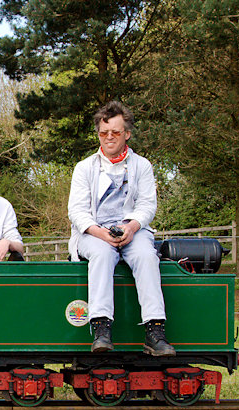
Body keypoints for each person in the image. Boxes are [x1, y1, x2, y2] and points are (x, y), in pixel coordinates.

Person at [68, 100, 175, 356]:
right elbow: (77, 211)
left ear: (127, 134)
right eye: (103, 133)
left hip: (132, 230)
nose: (108, 138)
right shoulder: (84, 168)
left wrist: (132, 227)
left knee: (146, 256)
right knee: (102, 255)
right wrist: (101, 233)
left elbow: (148, 205)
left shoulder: (142, 166)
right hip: (94, 232)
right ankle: (102, 329)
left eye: (115, 133)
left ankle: (154, 330)